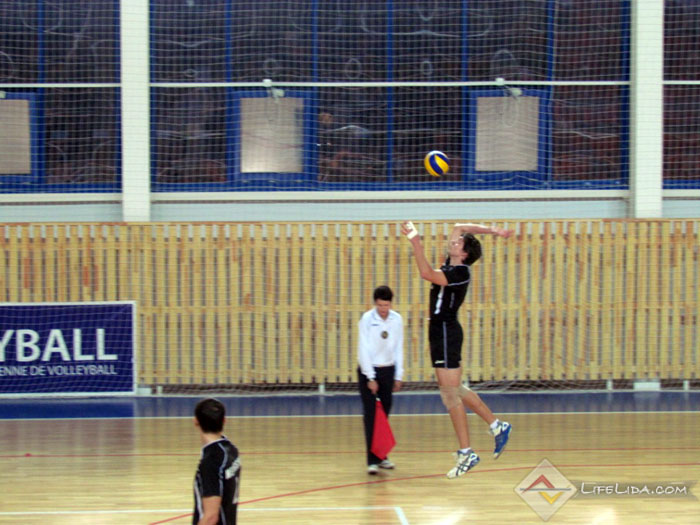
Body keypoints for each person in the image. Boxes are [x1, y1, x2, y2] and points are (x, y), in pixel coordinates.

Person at [400, 220, 514, 479]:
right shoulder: (452, 262)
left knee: (450, 395)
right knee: (455, 389)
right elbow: (460, 226)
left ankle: (467, 452)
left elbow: (427, 274)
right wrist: (494, 231)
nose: (455, 240)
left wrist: (416, 242)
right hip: (439, 332)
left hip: (446, 333)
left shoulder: (460, 272)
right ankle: (497, 426)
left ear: (463, 254)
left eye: (459, 242)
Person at [357, 285, 404, 475]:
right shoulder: (367, 319)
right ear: (375, 304)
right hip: (369, 371)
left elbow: (399, 347)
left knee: (383, 416)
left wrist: (398, 375)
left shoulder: (397, 319)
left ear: (391, 304)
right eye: (380, 305)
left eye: (386, 305)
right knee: (371, 416)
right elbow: (363, 349)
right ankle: (372, 461)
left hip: (388, 370)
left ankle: (382, 456)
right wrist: (370, 377)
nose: (383, 309)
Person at [192, 398, 241, 525]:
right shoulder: (231, 450)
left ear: (196, 421)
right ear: (224, 420)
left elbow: (211, 517)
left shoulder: (212, 461)